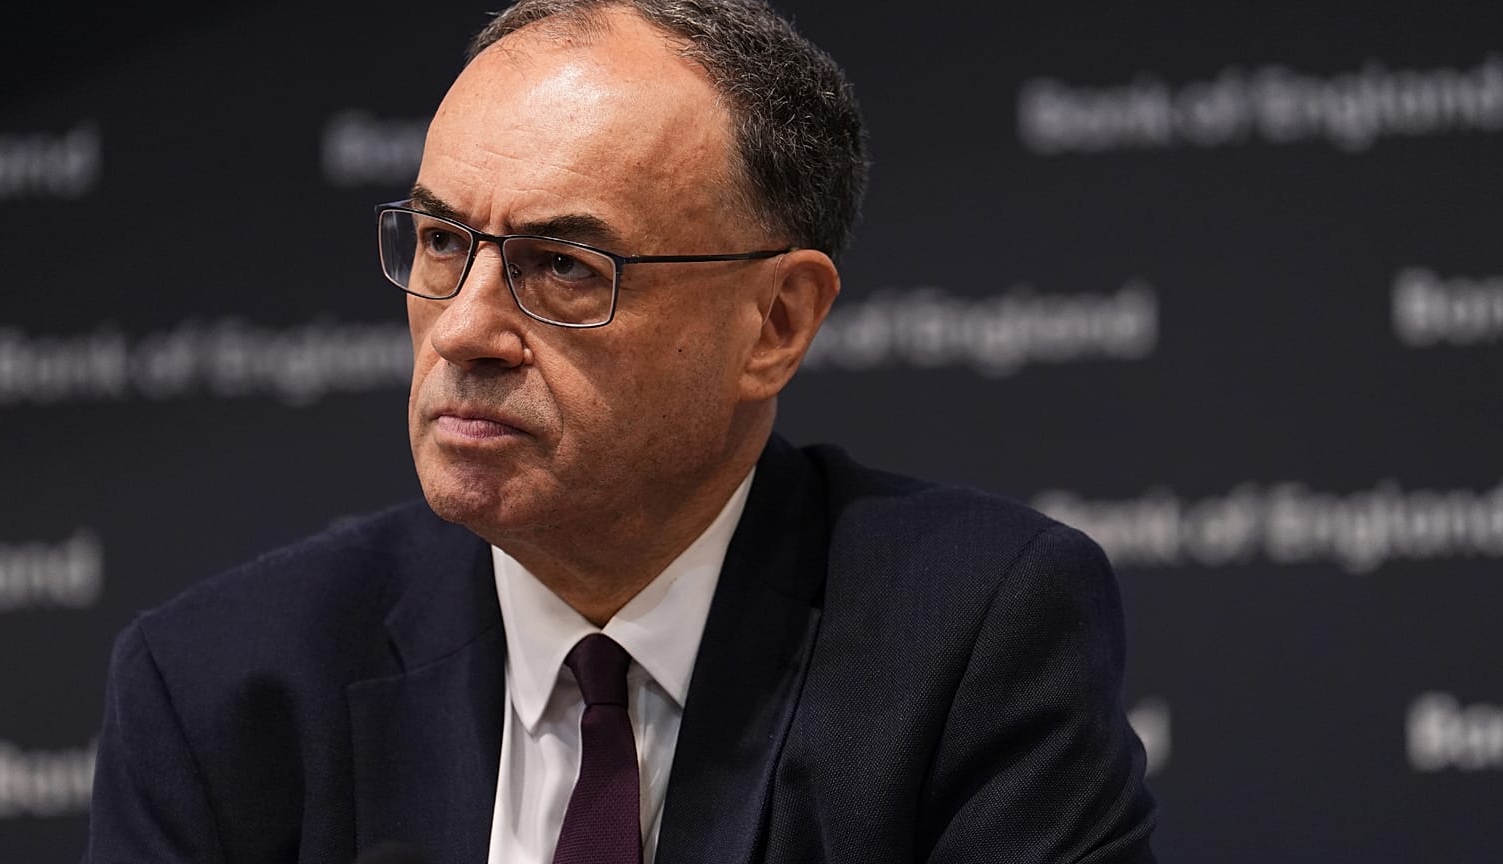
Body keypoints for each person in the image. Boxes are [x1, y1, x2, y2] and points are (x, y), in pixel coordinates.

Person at [85, 1, 1157, 862]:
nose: (466, 329)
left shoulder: (971, 642)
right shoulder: (221, 691)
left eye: (565, 267)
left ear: (775, 323)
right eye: (443, 242)